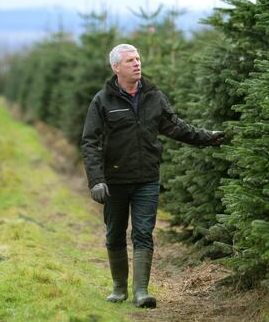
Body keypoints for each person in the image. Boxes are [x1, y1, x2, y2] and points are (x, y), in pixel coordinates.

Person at [81, 43, 224, 309]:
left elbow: (177, 127)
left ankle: (141, 291)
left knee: (143, 233)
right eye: (130, 61)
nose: (137, 64)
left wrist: (208, 137)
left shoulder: (154, 97)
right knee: (114, 234)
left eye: (137, 59)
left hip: (147, 178)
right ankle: (119, 288)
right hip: (114, 181)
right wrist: (96, 180)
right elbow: (90, 142)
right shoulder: (102, 101)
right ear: (116, 68)